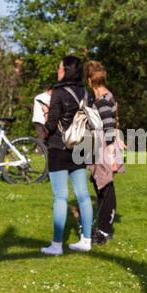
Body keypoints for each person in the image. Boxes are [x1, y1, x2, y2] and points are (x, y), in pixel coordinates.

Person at [40, 56, 94, 256]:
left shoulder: (59, 93)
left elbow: (52, 125)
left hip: (59, 148)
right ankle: (86, 240)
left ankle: (56, 245)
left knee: (60, 197)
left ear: (66, 70)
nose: (57, 70)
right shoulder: (85, 93)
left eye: (59, 67)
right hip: (80, 147)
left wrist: (46, 113)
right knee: (83, 195)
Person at [85, 60, 125, 245]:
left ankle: (104, 231)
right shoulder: (109, 95)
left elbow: (109, 127)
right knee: (102, 187)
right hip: (106, 148)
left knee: (105, 189)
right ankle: (101, 227)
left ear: (89, 80)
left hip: (105, 150)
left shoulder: (101, 100)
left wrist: (111, 155)